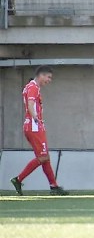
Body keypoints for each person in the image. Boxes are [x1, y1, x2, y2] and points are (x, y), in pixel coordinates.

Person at [11, 66, 68, 196]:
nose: (49, 80)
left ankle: (54, 186)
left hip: (33, 126)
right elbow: (31, 104)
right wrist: (36, 118)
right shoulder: (33, 87)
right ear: (41, 75)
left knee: (45, 158)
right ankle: (18, 179)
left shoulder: (30, 87)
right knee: (42, 157)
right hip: (34, 126)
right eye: (48, 77)